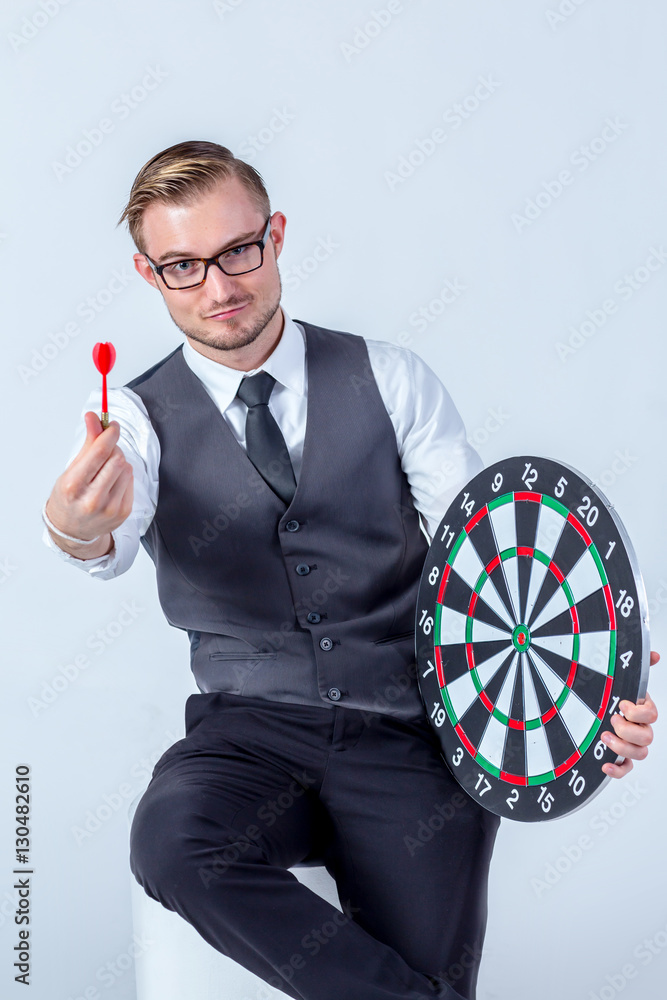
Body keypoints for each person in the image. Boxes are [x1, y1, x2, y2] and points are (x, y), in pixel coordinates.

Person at [42, 141, 658, 1000]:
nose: (219, 287)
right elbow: (102, 527)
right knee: (172, 843)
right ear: (150, 276)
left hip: (410, 733)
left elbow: (483, 554)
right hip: (247, 735)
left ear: (276, 236)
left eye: (237, 251)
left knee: (429, 958)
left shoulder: (390, 378)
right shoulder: (137, 419)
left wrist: (591, 695)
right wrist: (72, 528)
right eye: (184, 266)